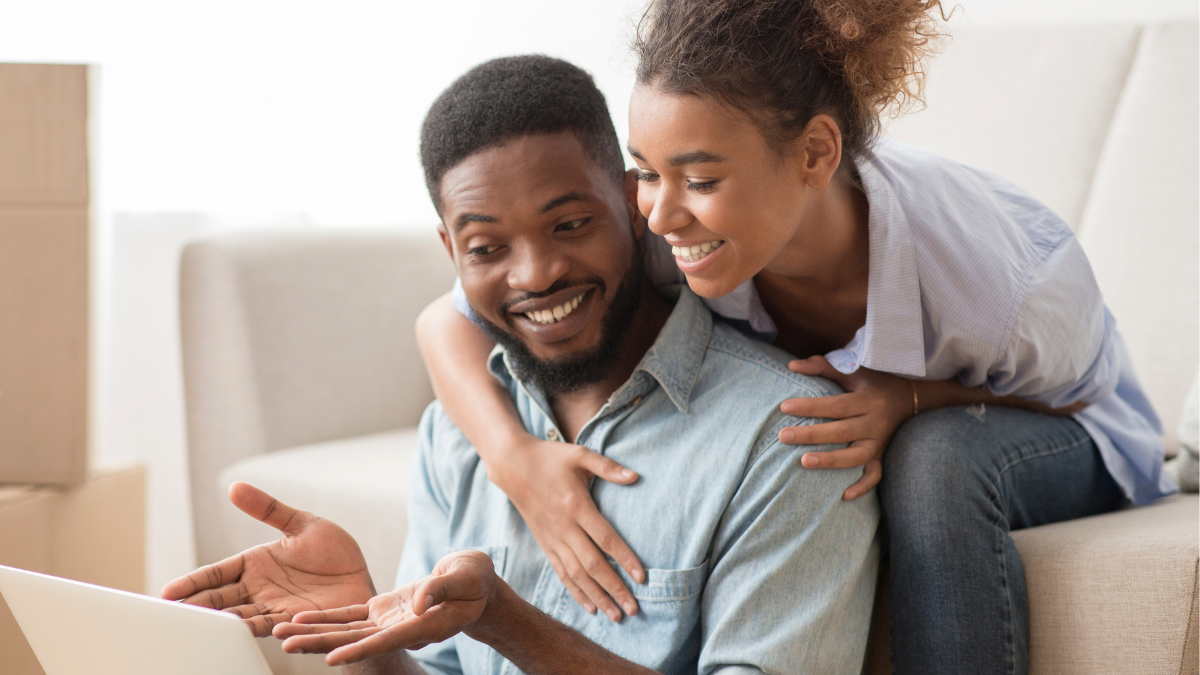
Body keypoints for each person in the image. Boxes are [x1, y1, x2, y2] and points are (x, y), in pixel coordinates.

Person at [416, 1, 1176, 673]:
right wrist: (514, 460)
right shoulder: (657, 227)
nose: (660, 213)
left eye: (700, 179)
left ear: (815, 153)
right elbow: (446, 320)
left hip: (1074, 435)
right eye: (645, 173)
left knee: (934, 458)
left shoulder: (1006, 280)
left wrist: (909, 399)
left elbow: (1071, 399)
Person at [163, 55, 879, 674]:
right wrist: (370, 628)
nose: (536, 274)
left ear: (635, 203)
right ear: (450, 252)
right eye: (487, 248)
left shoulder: (792, 435)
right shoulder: (455, 435)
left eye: (570, 224)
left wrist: (505, 618)